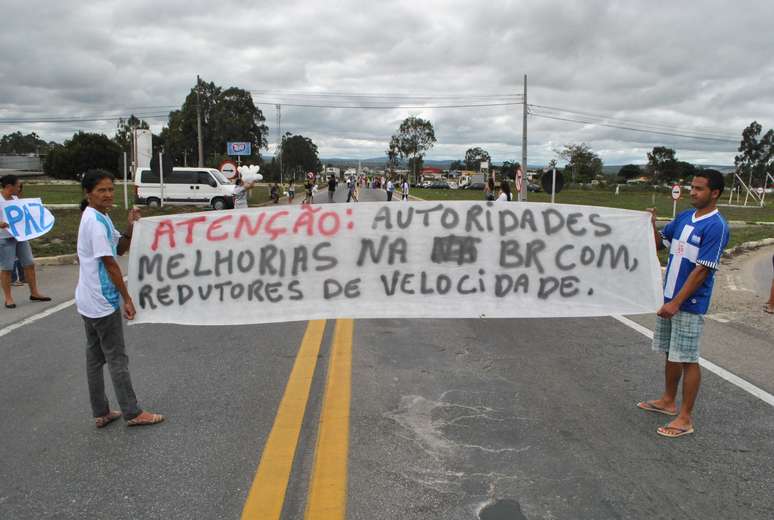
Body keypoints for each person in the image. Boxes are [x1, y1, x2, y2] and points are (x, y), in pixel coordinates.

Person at [637, 170, 730, 439]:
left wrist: (676, 302)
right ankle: (668, 401)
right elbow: (659, 245)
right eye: (692, 187)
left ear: (715, 193)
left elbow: (702, 270)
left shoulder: (716, 226)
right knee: (671, 352)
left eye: (699, 188)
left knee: (688, 358)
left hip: (688, 303)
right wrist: (651, 224)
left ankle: (685, 417)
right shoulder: (684, 217)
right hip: (669, 298)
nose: (693, 192)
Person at [76, 169, 164, 428]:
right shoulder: (93, 221)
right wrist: (127, 298)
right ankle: (133, 412)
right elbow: (110, 263)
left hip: (88, 300)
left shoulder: (99, 217)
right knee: (116, 357)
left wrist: (131, 224)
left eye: (110, 189)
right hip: (101, 301)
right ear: (88, 193)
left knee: (95, 358)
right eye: (101, 190)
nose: (107, 194)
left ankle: (101, 412)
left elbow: (121, 247)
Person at [1, 174, 51, 309]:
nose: (19, 188)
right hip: (4, 239)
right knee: (6, 268)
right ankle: (8, 298)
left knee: (29, 263)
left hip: (20, 237)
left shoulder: (16, 199)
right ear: (9, 186)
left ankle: (34, 293)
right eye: (17, 185)